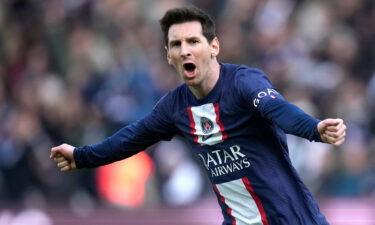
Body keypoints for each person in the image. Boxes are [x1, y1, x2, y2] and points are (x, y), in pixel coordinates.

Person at [50, 6, 346, 225]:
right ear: (168, 55)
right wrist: (81, 156)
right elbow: (130, 138)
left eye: (193, 41)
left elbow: (277, 109)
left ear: (213, 46)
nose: (185, 50)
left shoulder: (243, 83)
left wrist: (315, 128)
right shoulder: (174, 107)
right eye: (176, 45)